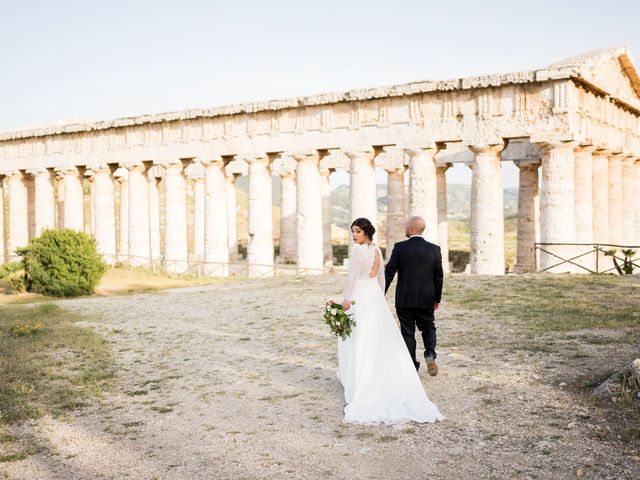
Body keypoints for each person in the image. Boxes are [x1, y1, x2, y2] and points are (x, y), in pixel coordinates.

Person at [338, 217, 444, 424]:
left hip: (369, 295)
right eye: (352, 231)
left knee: (371, 336)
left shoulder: (364, 251)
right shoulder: (379, 250)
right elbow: (382, 278)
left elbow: (356, 277)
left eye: (357, 231)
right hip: (386, 297)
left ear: (366, 232)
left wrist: (346, 299)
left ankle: (371, 376)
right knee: (388, 335)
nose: (353, 235)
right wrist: (379, 297)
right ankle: (428, 353)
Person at [384, 216, 443, 376]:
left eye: (405, 226)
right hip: (426, 299)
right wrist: (437, 299)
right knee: (428, 327)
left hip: (404, 299)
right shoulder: (434, 249)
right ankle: (430, 354)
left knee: (407, 332)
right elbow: (438, 277)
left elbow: (389, 272)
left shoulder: (399, 248)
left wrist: (381, 293)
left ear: (411, 228)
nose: (404, 228)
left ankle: (412, 368)